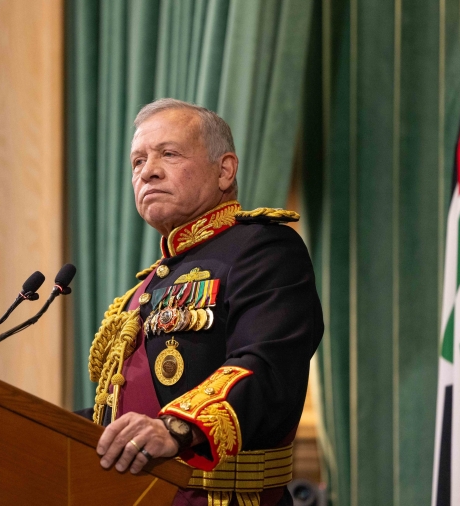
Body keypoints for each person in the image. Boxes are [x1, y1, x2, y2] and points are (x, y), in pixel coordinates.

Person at [85, 98, 324, 506]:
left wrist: (177, 428)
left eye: (169, 154)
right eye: (138, 161)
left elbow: (267, 366)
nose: (148, 171)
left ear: (225, 170)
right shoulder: (145, 286)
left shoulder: (262, 249)